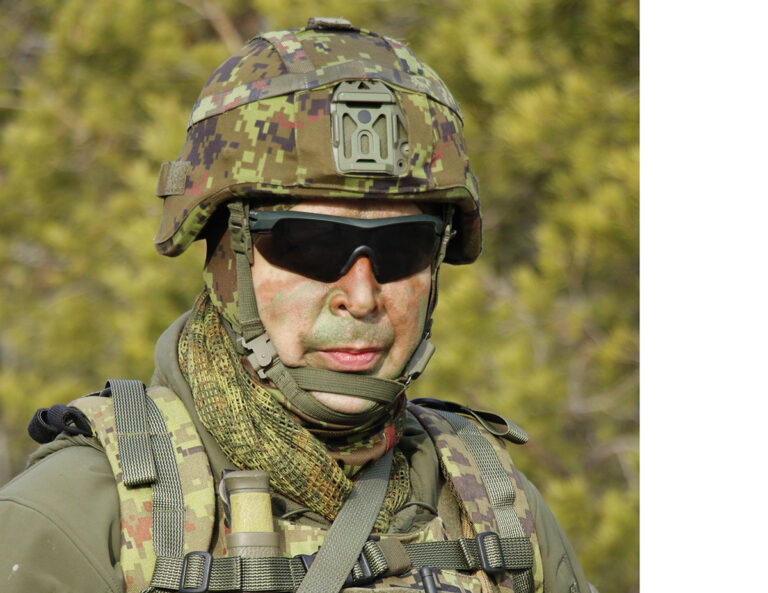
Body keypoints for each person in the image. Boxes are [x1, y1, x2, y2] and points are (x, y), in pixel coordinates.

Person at [0, 17, 595, 593]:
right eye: (312, 245)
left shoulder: (495, 507)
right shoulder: (80, 518)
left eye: (403, 248)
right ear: (227, 260)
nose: (361, 297)